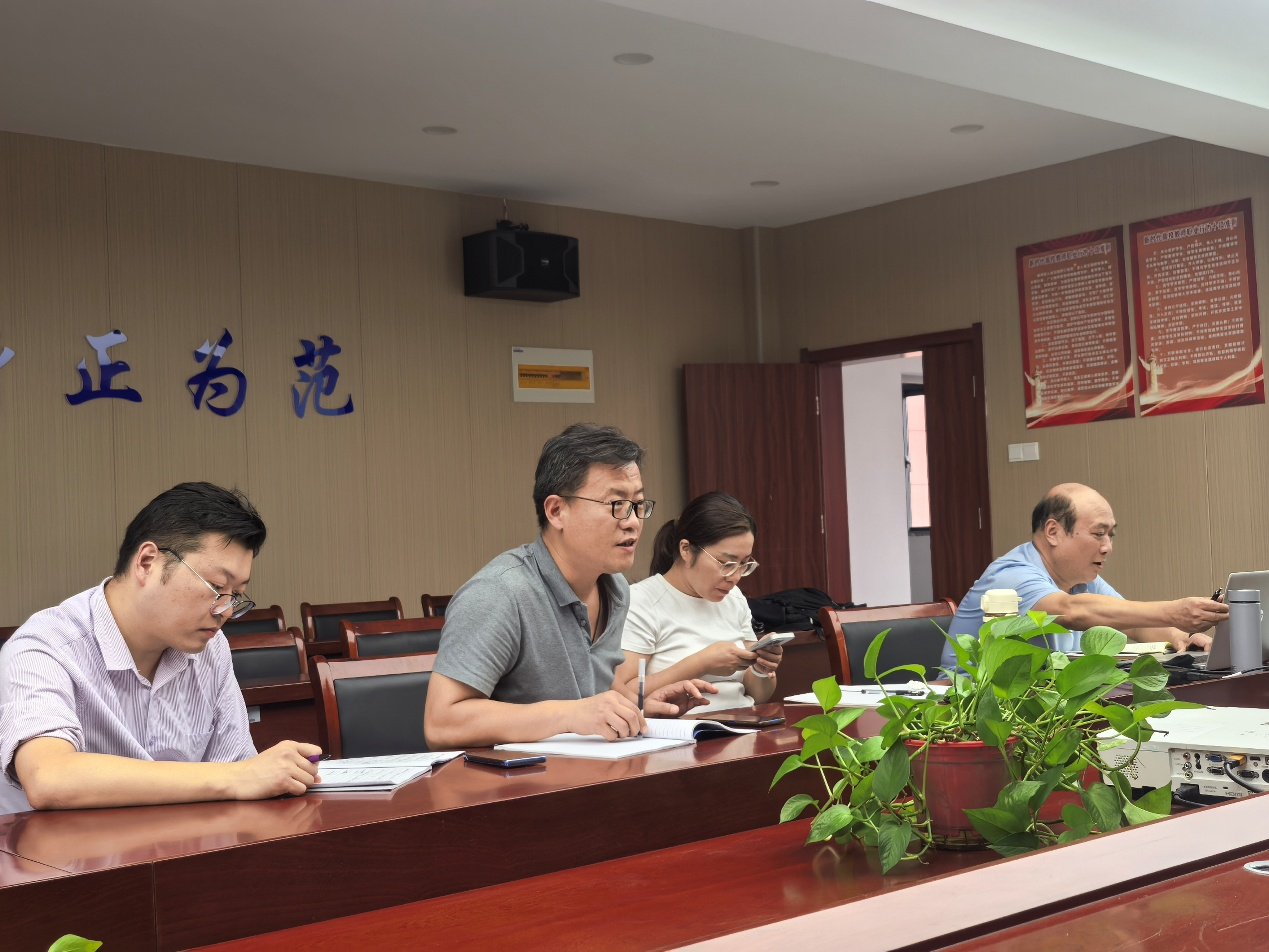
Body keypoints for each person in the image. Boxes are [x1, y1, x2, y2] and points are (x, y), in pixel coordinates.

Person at [0, 482, 321, 813]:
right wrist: (237, 777)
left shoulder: (210, 650)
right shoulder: (44, 647)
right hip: (64, 847)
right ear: (147, 562)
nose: (225, 610)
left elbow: (239, 770)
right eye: (216, 586)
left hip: (180, 840)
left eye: (235, 595)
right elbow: (49, 777)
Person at [424, 423, 716, 749]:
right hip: (515, 778)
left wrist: (638, 707)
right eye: (616, 504)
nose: (633, 521)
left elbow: (588, 698)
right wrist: (569, 715)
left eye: (637, 504)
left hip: (588, 772)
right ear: (556, 511)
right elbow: (441, 722)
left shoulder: (615, 589)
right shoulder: (498, 594)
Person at [941, 483, 1226, 668]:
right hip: (968, 714)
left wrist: (1180, 637)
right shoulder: (1011, 576)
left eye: (1110, 535)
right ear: (1053, 532)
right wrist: (1175, 612)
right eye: (1098, 534)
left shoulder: (1080, 579)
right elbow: (1072, 612)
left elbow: (1131, 623)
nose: (1107, 547)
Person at [614, 492, 782, 713]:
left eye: (743, 564)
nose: (735, 577)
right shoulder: (641, 601)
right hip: (682, 728)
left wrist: (761, 669)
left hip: (743, 722)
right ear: (686, 549)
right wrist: (702, 664)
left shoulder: (734, 599)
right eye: (726, 563)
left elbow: (758, 696)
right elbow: (623, 692)